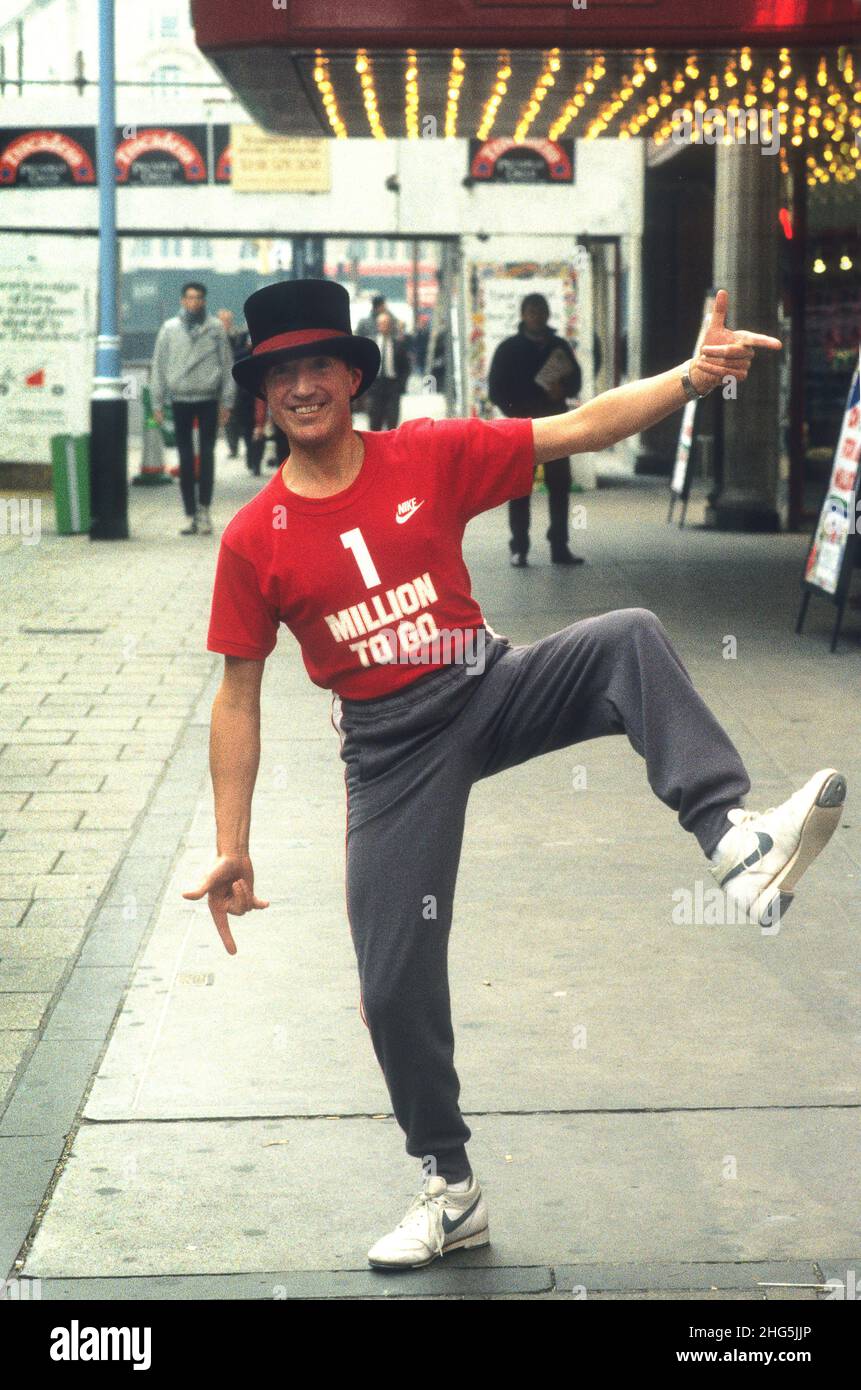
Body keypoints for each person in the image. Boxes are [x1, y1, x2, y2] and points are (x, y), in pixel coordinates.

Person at [183, 276, 846, 1272]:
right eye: (283, 372)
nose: (304, 384)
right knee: (393, 981)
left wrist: (689, 378)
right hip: (390, 749)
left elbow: (578, 427)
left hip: (486, 685)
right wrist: (232, 844)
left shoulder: (430, 454)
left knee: (626, 635)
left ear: (353, 377)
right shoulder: (253, 538)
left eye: (320, 363)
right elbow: (238, 694)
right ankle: (451, 1191)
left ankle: (735, 844)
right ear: (264, 394)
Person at [488, 292, 584, 567]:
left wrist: (563, 390)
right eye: (531, 311)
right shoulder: (508, 348)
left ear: (547, 314)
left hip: (556, 425)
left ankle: (560, 546)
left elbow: (576, 381)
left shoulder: (559, 346)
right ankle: (519, 547)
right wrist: (515, 413)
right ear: (523, 315)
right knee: (519, 488)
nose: (537, 315)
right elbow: (496, 390)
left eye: (541, 310)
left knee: (560, 485)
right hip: (521, 428)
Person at [151, 282, 236, 535]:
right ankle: (190, 514)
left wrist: (227, 401)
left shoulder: (216, 329)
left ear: (204, 301)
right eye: (189, 297)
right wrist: (157, 401)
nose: (194, 302)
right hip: (180, 399)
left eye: (198, 298)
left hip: (208, 399)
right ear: (182, 300)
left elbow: (227, 364)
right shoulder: (169, 329)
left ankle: (204, 510)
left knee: (207, 456)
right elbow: (159, 365)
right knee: (185, 458)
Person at [217, 309, 256, 471]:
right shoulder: (216, 337)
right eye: (222, 320)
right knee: (229, 418)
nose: (225, 323)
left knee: (246, 420)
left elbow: (245, 353)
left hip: (241, 384)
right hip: (225, 383)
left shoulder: (239, 334)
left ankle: (250, 454)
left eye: (227, 320)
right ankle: (233, 447)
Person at [364, 310, 411, 431]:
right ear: (377, 325)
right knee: (375, 423)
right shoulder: (370, 344)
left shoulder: (398, 344)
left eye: (386, 323)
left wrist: (401, 385)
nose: (383, 326)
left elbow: (406, 367)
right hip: (375, 387)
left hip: (392, 387)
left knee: (392, 423)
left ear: (390, 325)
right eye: (381, 323)